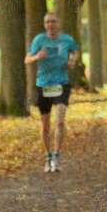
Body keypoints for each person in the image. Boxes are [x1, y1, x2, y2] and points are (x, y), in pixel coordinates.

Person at [24, 12, 80, 172]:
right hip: (43, 84)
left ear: (59, 23)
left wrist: (72, 60)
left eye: (53, 22)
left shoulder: (67, 40)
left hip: (61, 83)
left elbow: (75, 51)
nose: (50, 25)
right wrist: (36, 57)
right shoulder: (39, 40)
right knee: (46, 124)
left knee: (60, 120)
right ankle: (48, 155)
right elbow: (27, 60)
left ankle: (57, 155)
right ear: (44, 24)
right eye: (47, 22)